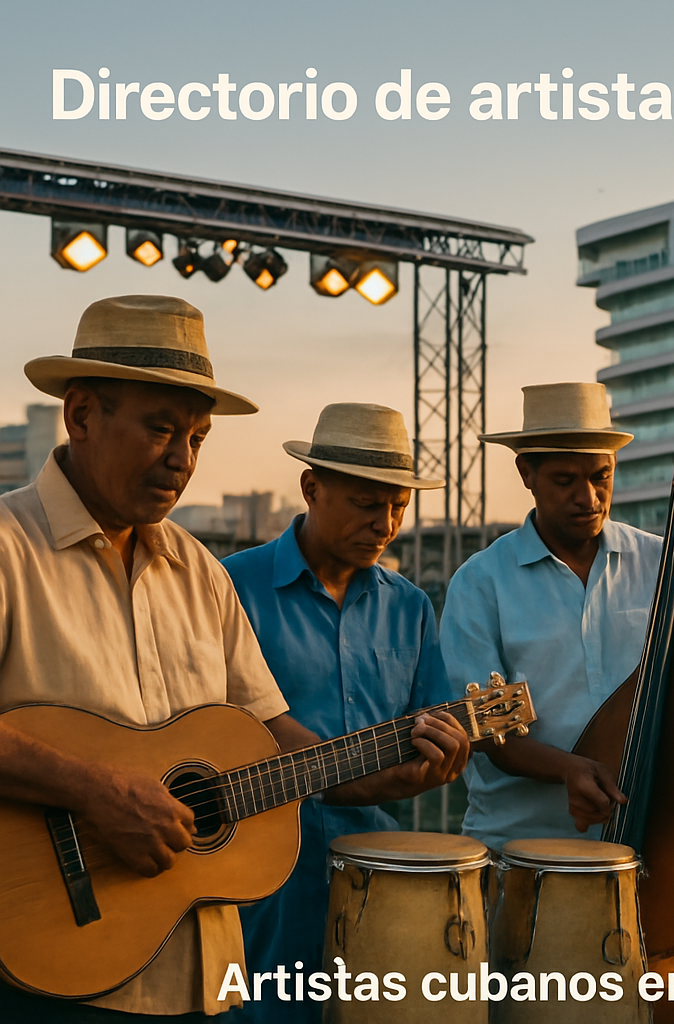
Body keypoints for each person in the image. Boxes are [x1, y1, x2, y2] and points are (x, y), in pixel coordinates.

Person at [0, 296, 463, 1023]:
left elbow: (278, 740)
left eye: (197, 436)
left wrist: (388, 767)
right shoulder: (6, 548)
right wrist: (93, 791)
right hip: (50, 973)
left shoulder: (200, 572)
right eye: (160, 429)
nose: (182, 458)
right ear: (81, 413)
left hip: (204, 978)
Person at [439, 381, 674, 852]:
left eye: (601, 477)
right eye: (565, 481)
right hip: (519, 849)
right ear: (525, 473)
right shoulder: (479, 583)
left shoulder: (662, 559)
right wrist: (568, 768)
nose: (588, 498)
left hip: (650, 845)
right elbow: (488, 728)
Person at [222, 402, 470, 1024]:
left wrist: (444, 756)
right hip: (251, 877)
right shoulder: (229, 587)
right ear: (311, 487)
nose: (385, 523)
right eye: (366, 502)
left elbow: (432, 732)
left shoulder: (411, 607)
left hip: (372, 873)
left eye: (398, 506)